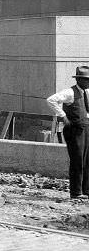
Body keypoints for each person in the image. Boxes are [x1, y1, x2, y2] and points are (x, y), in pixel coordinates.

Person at [47, 66, 89, 201]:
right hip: (74, 130)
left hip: (86, 129)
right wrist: (63, 116)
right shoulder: (70, 92)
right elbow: (51, 100)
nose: (88, 82)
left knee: (86, 160)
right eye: (86, 80)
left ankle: (86, 190)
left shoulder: (86, 92)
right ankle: (76, 192)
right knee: (77, 160)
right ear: (80, 80)